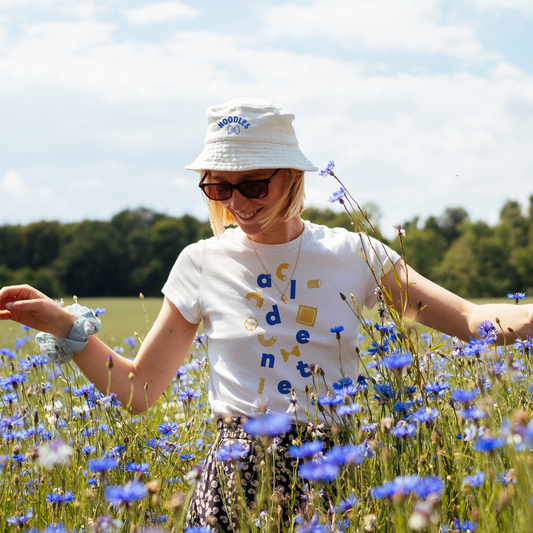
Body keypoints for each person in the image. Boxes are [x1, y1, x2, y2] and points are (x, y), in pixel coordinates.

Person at [1, 98, 532, 530]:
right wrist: (66, 328)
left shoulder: (356, 255)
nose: (238, 203)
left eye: (255, 185)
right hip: (236, 475)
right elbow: (139, 391)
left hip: (337, 469)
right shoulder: (199, 262)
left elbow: (467, 320)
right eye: (219, 187)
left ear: (293, 177)